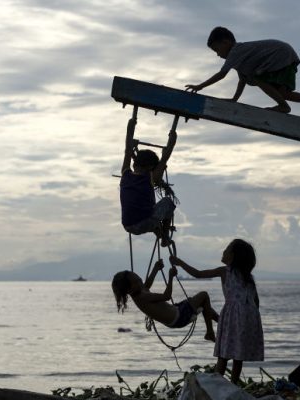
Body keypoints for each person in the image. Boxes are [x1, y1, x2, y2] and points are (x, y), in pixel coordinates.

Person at [170, 239, 264, 384]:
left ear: (233, 256)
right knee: (237, 356)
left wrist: (180, 262)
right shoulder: (248, 278)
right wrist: (250, 320)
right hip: (249, 317)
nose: (223, 251)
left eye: (226, 249)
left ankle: (216, 386)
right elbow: (256, 301)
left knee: (223, 354)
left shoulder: (224, 271)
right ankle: (233, 386)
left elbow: (198, 274)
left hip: (233, 316)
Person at [185, 26, 300, 118]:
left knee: (258, 79)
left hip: (279, 54)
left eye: (217, 50)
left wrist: (200, 86)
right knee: (282, 93)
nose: (218, 55)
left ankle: (283, 106)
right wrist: (235, 99)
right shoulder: (241, 59)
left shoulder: (236, 50)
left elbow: (222, 74)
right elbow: (242, 80)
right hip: (285, 54)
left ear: (226, 42)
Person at [111, 260, 218, 342]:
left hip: (176, 312)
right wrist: (170, 277)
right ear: (129, 289)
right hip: (179, 317)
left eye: (139, 278)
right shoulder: (142, 298)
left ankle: (221, 320)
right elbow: (167, 296)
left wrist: (155, 268)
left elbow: (146, 285)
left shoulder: (138, 292)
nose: (140, 281)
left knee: (204, 305)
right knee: (204, 295)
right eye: (137, 281)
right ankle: (210, 332)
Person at [120, 117, 177, 246]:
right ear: (151, 167)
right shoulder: (150, 178)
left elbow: (127, 151)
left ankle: (158, 229)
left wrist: (130, 126)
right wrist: (172, 141)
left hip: (128, 225)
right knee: (168, 202)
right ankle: (165, 237)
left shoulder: (125, 173)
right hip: (143, 223)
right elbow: (164, 159)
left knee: (150, 214)